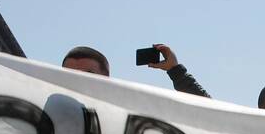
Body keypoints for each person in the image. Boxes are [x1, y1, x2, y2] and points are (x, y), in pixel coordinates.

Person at [61, 43, 209, 98]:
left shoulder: (124, 114)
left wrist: (176, 72)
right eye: (68, 75)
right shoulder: (45, 114)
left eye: (88, 75)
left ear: (106, 79)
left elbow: (210, 117)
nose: (77, 80)